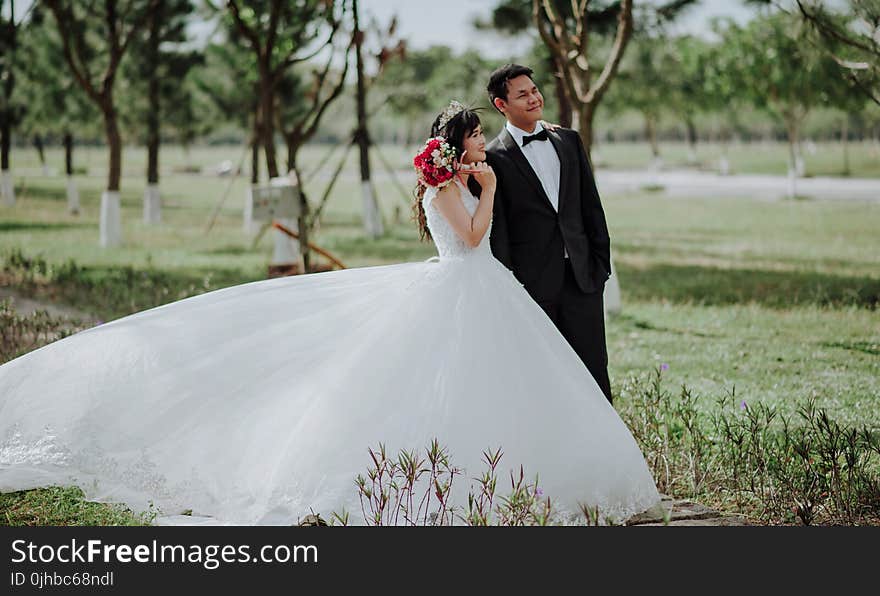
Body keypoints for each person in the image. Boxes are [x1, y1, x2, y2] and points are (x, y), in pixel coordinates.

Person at [0, 103, 659, 526]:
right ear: (458, 143)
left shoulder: (452, 181)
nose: (486, 139)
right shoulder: (448, 188)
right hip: (468, 286)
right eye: (479, 133)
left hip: (485, 291)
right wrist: (485, 192)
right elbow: (477, 238)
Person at [485, 64, 615, 403]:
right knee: (542, 374)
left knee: (594, 369)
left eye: (535, 90)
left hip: (583, 278)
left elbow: (591, 208)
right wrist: (512, 285)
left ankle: (606, 450)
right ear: (502, 105)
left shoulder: (569, 141)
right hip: (533, 286)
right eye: (522, 95)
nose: (534, 98)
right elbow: (500, 231)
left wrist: (600, 267)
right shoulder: (493, 158)